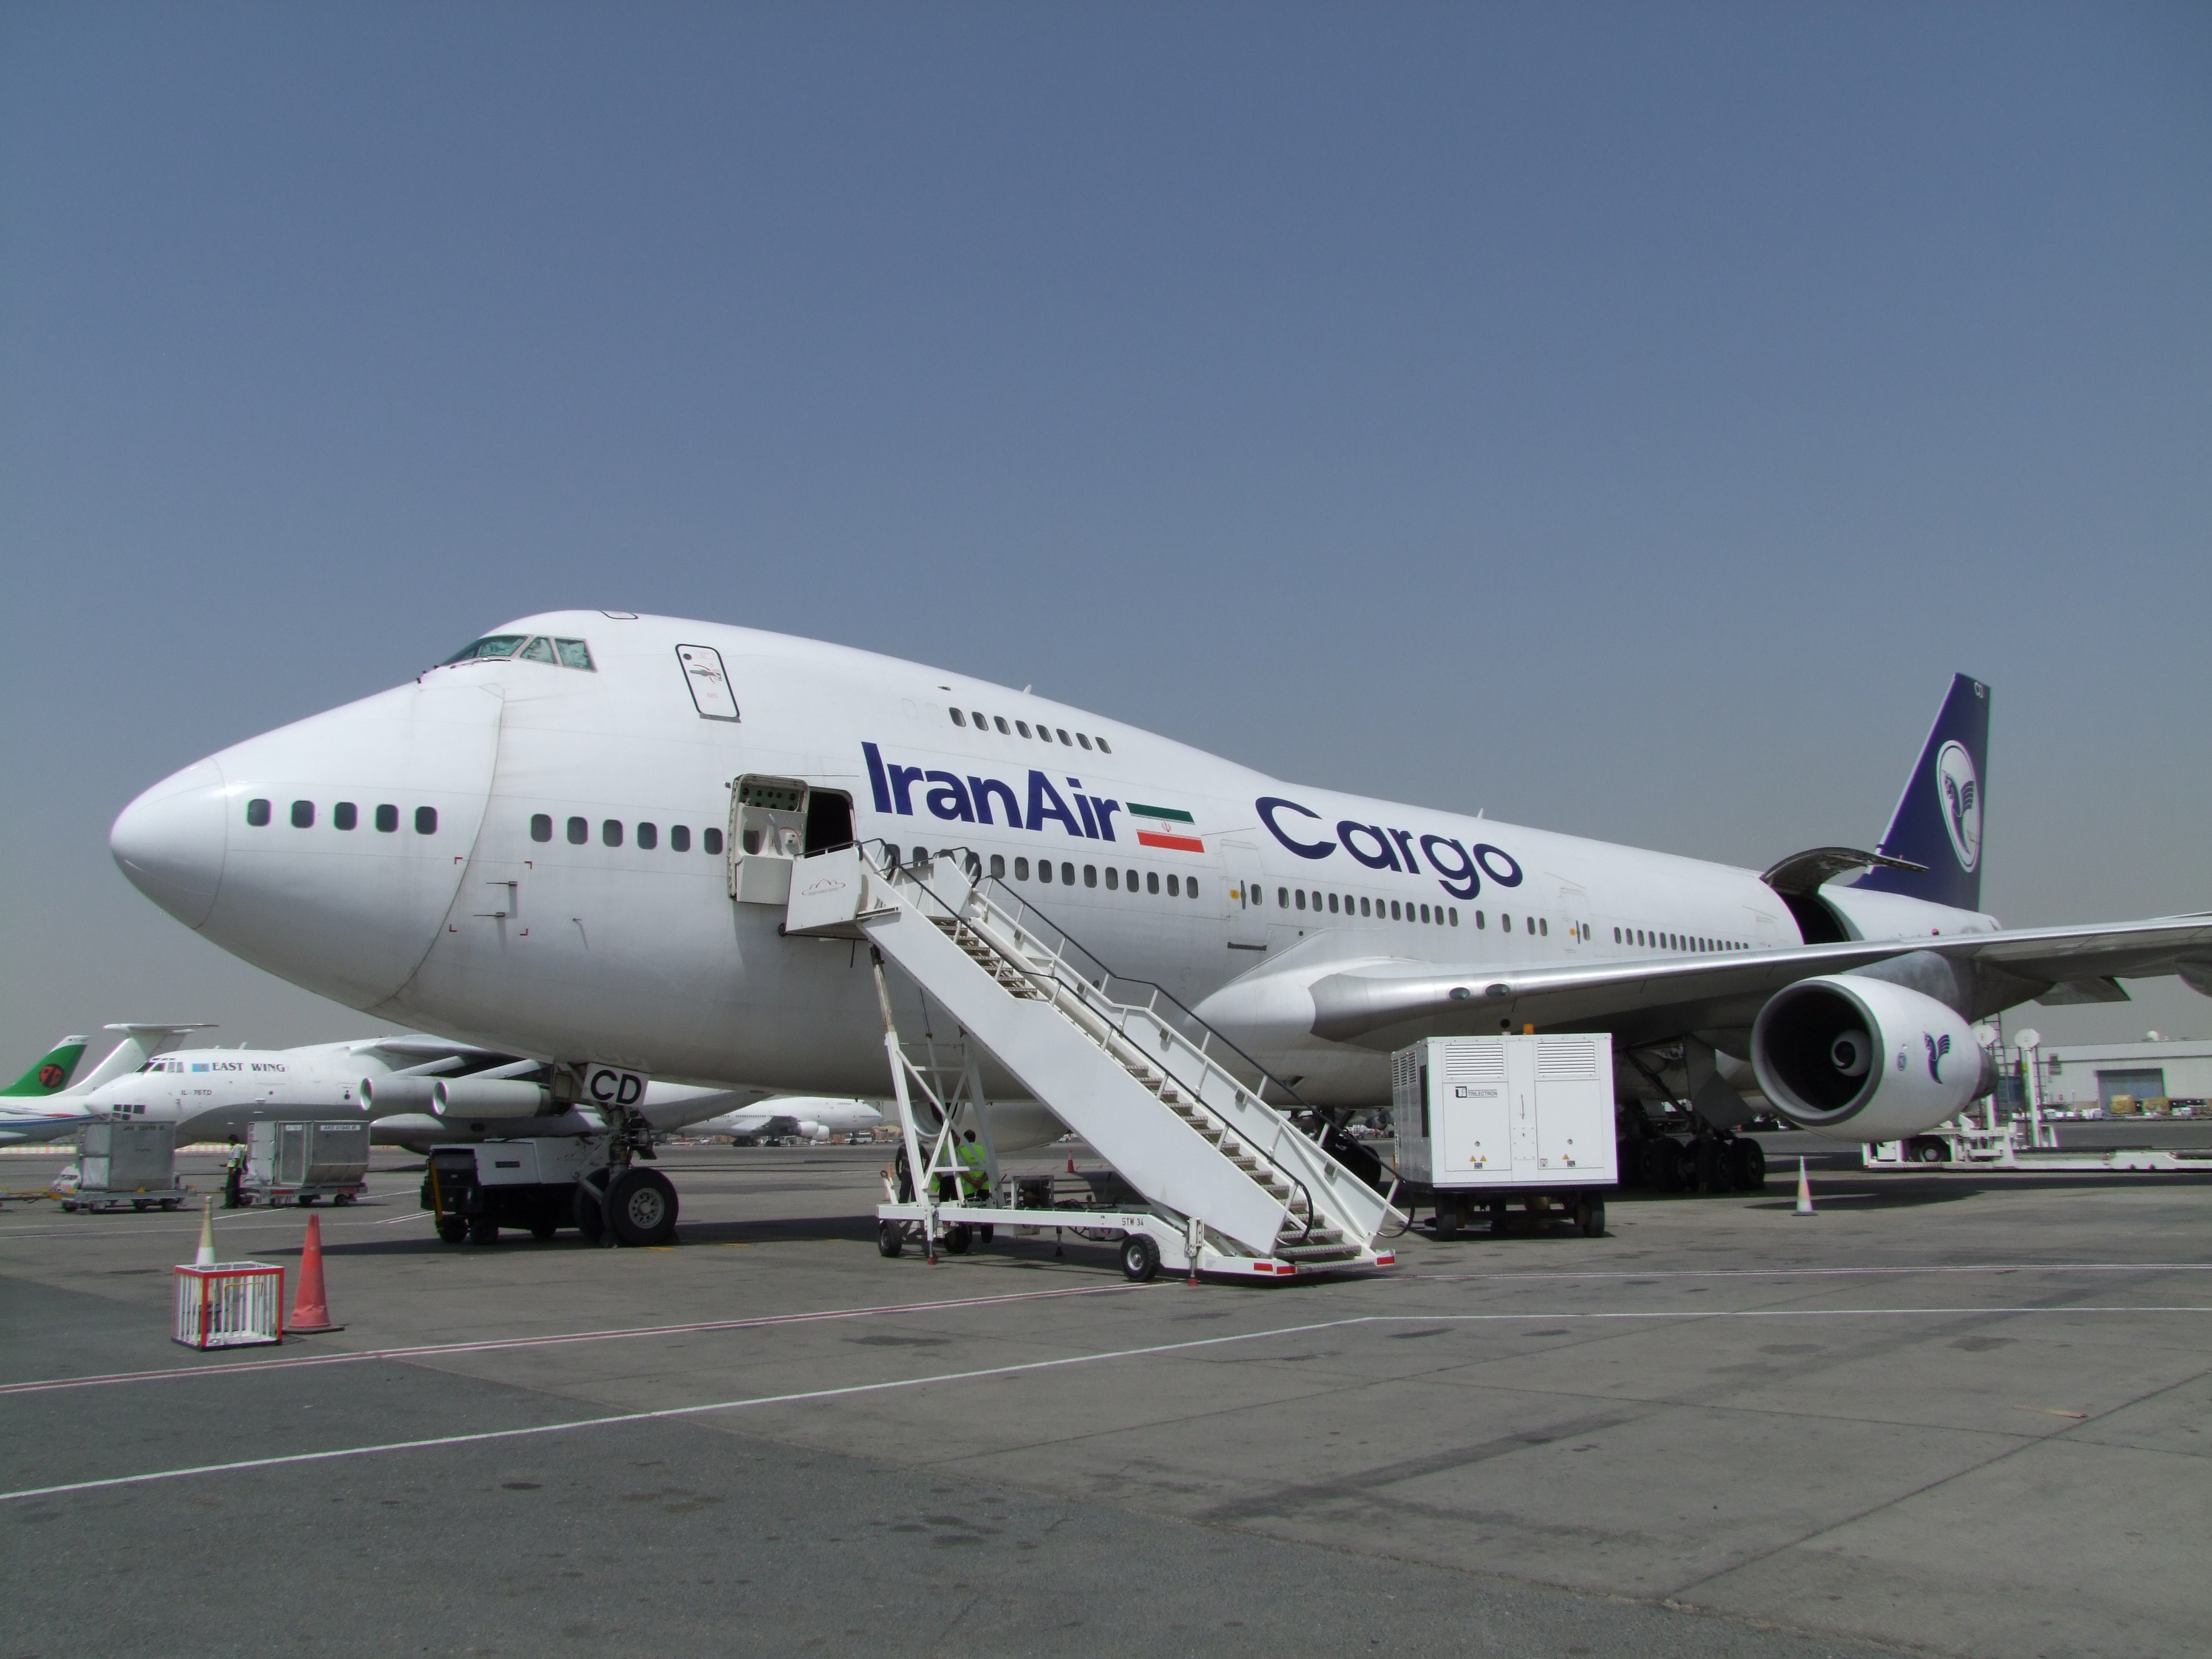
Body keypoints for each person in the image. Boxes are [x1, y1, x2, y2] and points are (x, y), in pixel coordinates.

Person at [956, 1129, 994, 1241]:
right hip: (984, 1186)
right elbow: (990, 1169)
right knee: (986, 1211)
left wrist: (972, 1182)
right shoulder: (983, 1150)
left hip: (969, 1187)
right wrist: (982, 1181)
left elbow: (961, 1171)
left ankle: (969, 1237)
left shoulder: (962, 1151)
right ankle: (987, 1237)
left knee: (968, 1214)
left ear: (965, 1139)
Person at [223, 1141, 247, 1209]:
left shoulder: (237, 1148)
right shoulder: (237, 1148)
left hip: (235, 1169)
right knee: (235, 1187)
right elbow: (233, 1160)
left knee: (231, 1187)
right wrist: (227, 1164)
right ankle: (236, 1203)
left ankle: (230, 1204)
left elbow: (237, 1159)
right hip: (235, 1168)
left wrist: (234, 1169)